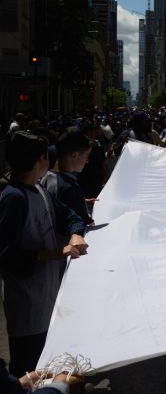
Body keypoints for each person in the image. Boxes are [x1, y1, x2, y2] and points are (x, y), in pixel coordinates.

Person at [0, 132, 87, 378]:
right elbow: (5, 254)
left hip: (46, 297)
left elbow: (70, 216)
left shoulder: (37, 188)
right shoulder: (14, 199)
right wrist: (55, 253)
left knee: (48, 362)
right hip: (27, 305)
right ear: (41, 160)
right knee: (28, 370)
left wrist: (75, 234)